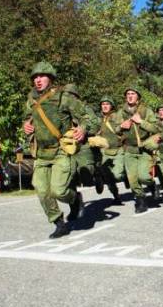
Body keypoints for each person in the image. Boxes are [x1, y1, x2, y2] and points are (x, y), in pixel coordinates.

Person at [22, 62, 97, 239]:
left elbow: (91, 118)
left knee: (59, 190)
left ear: (51, 78)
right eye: (35, 77)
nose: (38, 80)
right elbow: (26, 120)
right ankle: (58, 222)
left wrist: (83, 129)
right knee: (41, 189)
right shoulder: (31, 101)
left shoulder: (64, 98)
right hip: (41, 153)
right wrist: (26, 126)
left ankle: (75, 199)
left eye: (42, 76)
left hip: (61, 150)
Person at [117, 87, 159, 213]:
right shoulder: (121, 113)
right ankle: (141, 201)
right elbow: (114, 130)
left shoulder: (146, 111)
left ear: (138, 97)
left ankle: (152, 185)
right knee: (132, 179)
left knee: (144, 177)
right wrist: (120, 126)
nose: (130, 96)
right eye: (128, 94)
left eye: (133, 94)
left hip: (144, 149)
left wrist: (141, 122)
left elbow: (156, 128)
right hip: (129, 149)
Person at [96, 96, 125, 205]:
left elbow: (123, 128)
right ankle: (116, 196)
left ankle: (125, 176)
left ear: (111, 106)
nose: (105, 106)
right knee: (108, 177)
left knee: (117, 175)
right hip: (105, 152)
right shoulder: (98, 119)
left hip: (118, 150)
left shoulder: (117, 117)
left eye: (107, 104)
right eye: (103, 104)